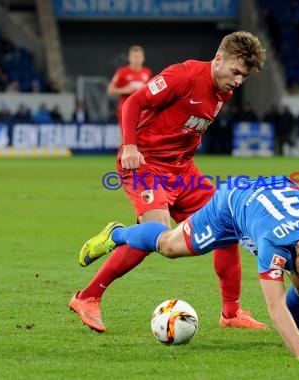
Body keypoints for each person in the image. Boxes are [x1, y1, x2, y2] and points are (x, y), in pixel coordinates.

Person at [69, 31, 268, 332]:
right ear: (218, 59)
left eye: (244, 76)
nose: (239, 81)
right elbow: (133, 102)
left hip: (183, 171)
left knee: (228, 226)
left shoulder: (224, 90)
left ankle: (231, 314)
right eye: (236, 72)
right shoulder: (183, 75)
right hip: (144, 163)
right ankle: (88, 296)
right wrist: (130, 146)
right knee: (158, 233)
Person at [79, 176, 299, 359]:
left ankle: (298, 326)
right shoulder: (273, 242)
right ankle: (116, 234)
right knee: (168, 246)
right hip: (230, 206)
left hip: (273, 197)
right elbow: (275, 305)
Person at [107, 45, 153, 125]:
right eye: (134, 57)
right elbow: (110, 91)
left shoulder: (147, 72)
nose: (136, 59)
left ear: (143, 58)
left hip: (142, 110)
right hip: (125, 109)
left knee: (141, 135)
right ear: (129, 58)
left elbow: (151, 91)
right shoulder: (121, 72)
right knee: (126, 135)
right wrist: (125, 90)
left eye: (139, 57)